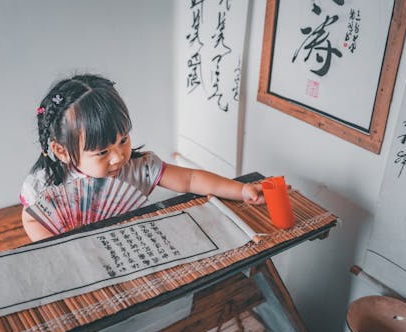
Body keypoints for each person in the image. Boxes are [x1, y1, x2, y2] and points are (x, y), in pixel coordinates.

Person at [20, 73, 264, 242]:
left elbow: (190, 179)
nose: (118, 158)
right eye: (102, 152)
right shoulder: (45, 186)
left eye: (123, 140)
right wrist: (60, 247)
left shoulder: (139, 168)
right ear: (62, 151)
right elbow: (32, 221)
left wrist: (241, 190)